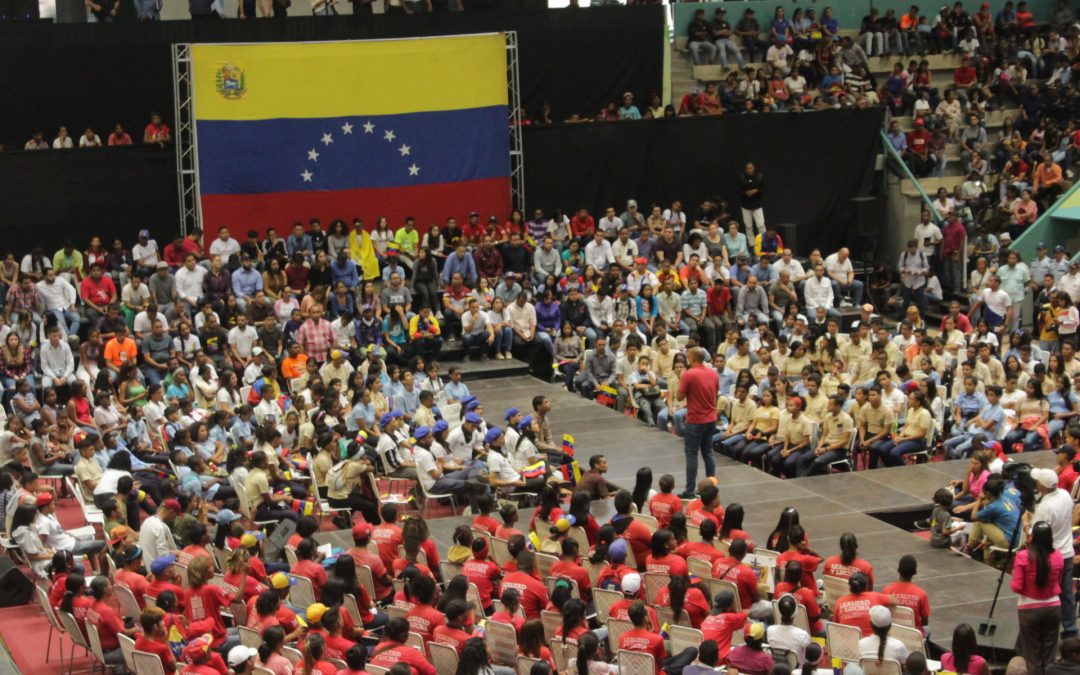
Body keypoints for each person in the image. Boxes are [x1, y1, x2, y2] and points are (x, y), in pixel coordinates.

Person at [1014, 520, 1064, 675]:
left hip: (1029, 609)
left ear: (1033, 536)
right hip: (1053, 607)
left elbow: (1016, 586)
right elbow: (1059, 580)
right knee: (1049, 654)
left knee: (1032, 655)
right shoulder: (1058, 555)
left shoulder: (1023, 556)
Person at [676, 347, 719, 498]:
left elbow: (679, 397)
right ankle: (712, 487)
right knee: (708, 452)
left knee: (691, 454)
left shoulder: (688, 375)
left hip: (695, 420)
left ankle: (689, 491)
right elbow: (716, 393)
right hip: (711, 418)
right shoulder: (713, 373)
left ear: (693, 358)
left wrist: (681, 377)